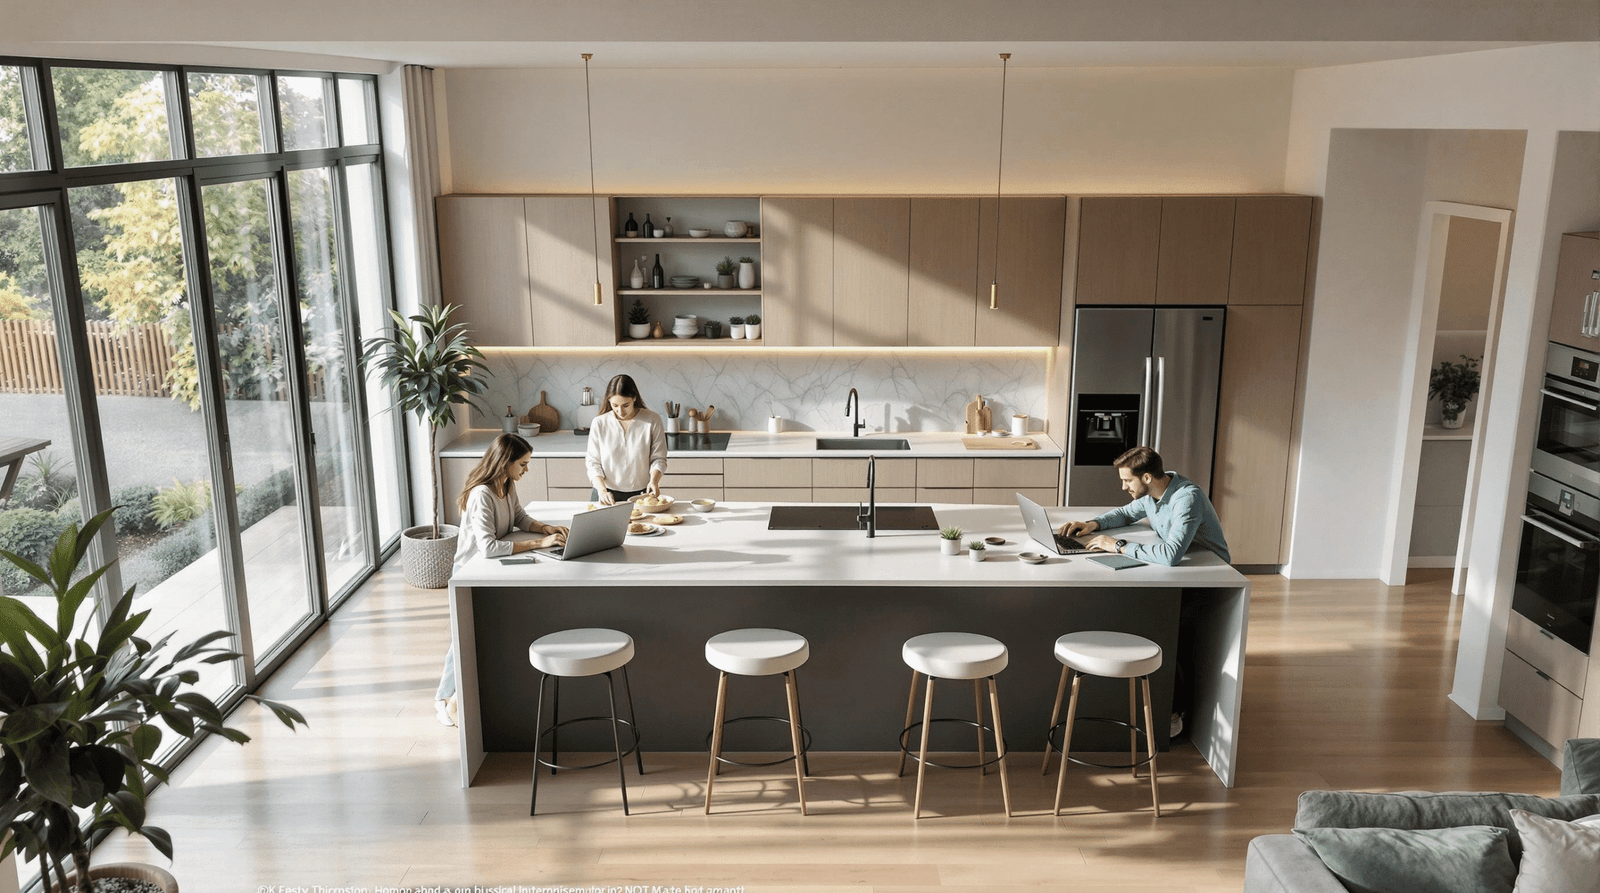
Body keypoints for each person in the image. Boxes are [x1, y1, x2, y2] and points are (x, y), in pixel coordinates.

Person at [435, 432, 570, 727]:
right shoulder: (481, 493)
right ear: (505, 462)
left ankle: (453, 696)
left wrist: (545, 528)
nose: (526, 470)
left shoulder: (506, 484)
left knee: (475, 633)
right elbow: (488, 547)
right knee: (464, 635)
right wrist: (538, 545)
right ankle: (444, 699)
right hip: (471, 570)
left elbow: (519, 517)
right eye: (522, 464)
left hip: (494, 567)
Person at [1058, 445, 1230, 566]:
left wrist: (1118, 546)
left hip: (1211, 571)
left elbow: (1171, 556)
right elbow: (1125, 514)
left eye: (1127, 481)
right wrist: (1092, 524)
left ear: (1147, 478)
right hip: (1186, 565)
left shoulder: (1187, 499)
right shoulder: (1151, 493)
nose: (1124, 487)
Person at [585, 373, 668, 505]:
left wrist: (654, 481)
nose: (620, 411)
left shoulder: (652, 420)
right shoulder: (599, 423)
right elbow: (593, 462)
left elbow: (659, 458)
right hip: (606, 493)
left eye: (625, 405)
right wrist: (601, 490)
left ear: (634, 398)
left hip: (642, 494)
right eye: (615, 405)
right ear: (608, 401)